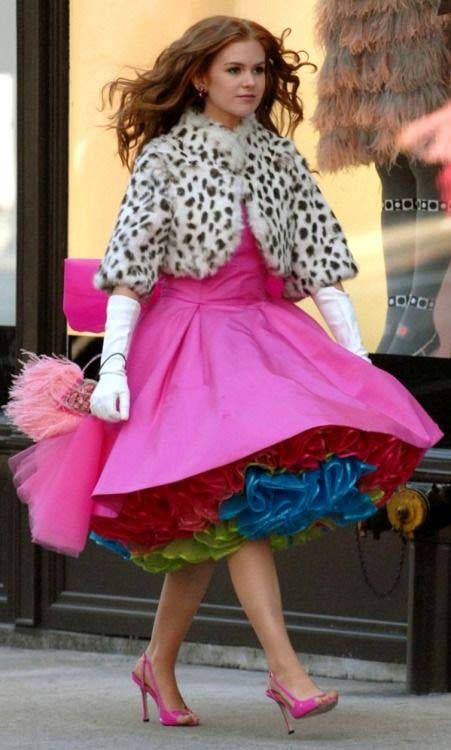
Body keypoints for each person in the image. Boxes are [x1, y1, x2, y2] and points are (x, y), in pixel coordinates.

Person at [7, 15, 442, 735]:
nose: (250, 83)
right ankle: (286, 671)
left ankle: (156, 664)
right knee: (234, 508)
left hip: (261, 342)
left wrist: (354, 357)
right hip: (183, 350)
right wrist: (112, 365)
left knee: (218, 521)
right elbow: (128, 272)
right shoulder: (165, 160)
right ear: (199, 77)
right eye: (235, 70)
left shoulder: (278, 158)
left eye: (258, 71)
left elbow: (322, 262)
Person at [313, 0, 451, 356]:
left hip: (418, 16)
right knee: (388, 156)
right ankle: (401, 314)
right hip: (362, 12)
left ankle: (418, 318)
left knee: (426, 156)